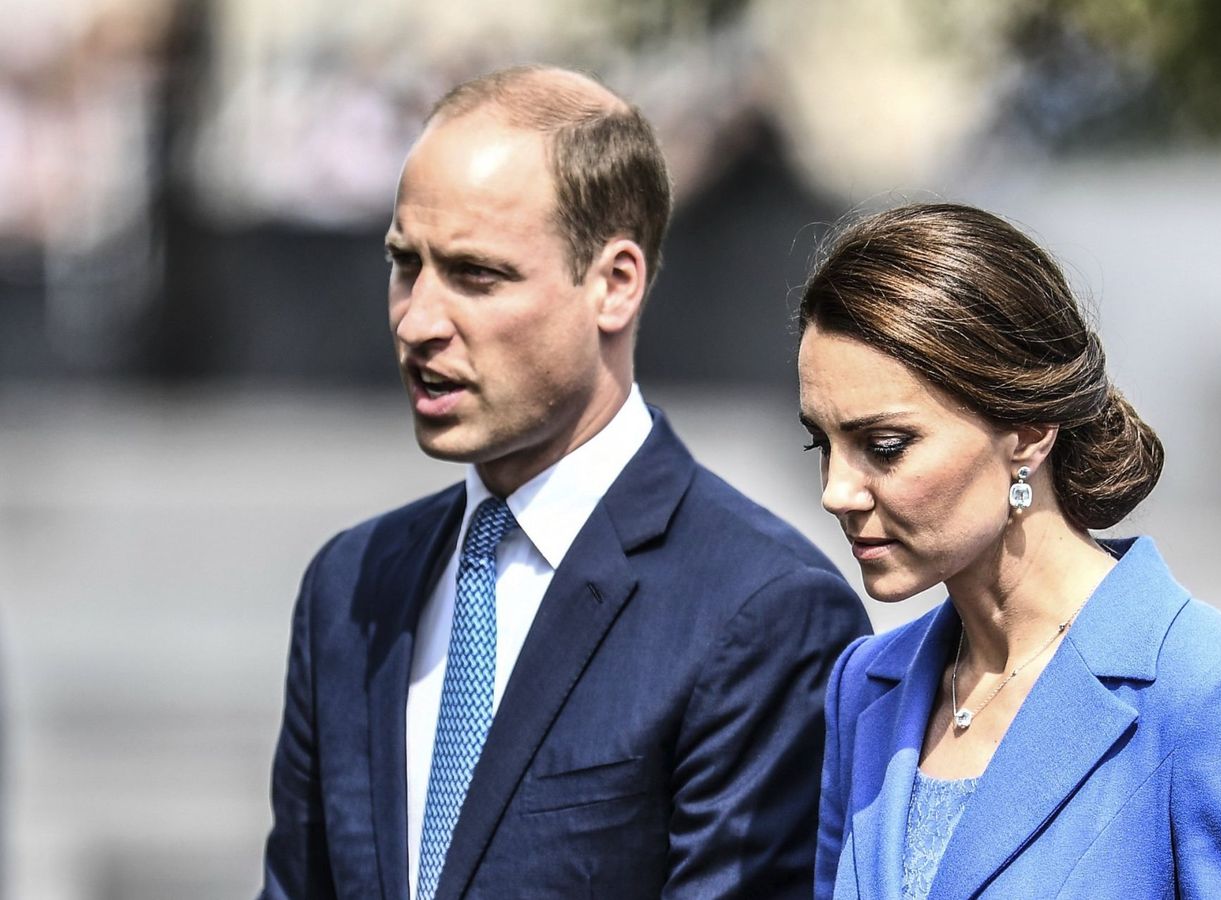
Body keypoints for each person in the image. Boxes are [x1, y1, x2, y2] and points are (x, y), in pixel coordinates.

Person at [259, 65, 871, 900]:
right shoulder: (351, 586)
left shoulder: (761, 610)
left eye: (477, 275)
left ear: (614, 284)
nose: (418, 320)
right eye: (407, 265)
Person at [799, 203, 1221, 899]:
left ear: (1028, 431)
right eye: (821, 443)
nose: (837, 491)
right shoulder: (865, 685)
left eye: (884, 447)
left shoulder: (1215, 698)